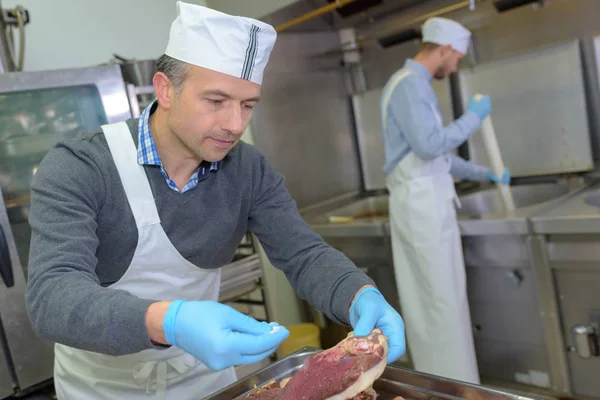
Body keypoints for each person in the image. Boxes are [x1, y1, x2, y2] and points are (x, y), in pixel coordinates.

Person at [24, 2, 405, 399]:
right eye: (216, 101)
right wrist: (170, 321)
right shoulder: (81, 166)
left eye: (247, 105)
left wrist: (358, 293)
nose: (235, 125)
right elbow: (52, 295)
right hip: (102, 386)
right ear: (165, 89)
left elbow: (303, 253)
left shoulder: (248, 169)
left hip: (206, 378)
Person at [380, 17, 511, 385]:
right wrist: (473, 118)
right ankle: (452, 388)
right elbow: (430, 146)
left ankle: (447, 386)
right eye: (457, 58)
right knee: (440, 306)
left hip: (424, 207)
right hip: (422, 210)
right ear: (445, 49)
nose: (455, 67)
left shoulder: (413, 87)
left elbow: (437, 159)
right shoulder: (410, 87)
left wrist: (486, 173)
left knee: (437, 305)